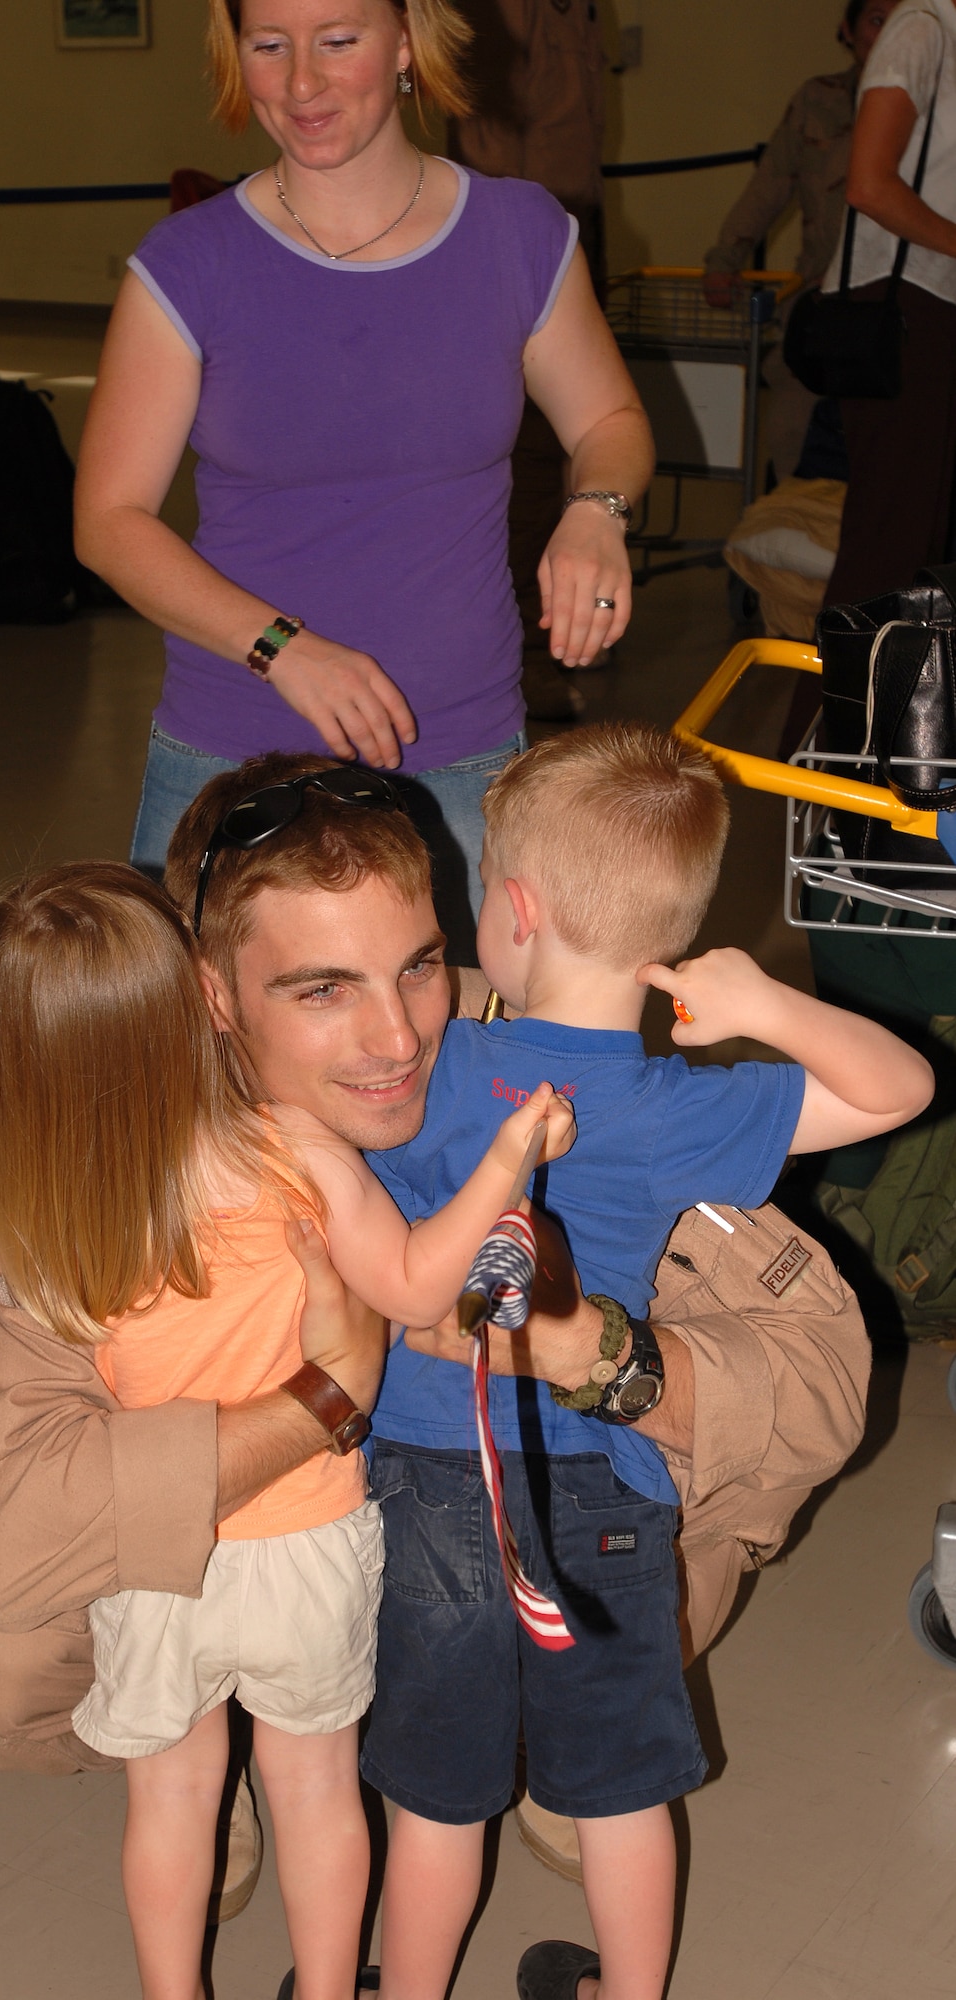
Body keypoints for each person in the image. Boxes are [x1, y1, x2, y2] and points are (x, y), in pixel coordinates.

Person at [0, 757, 871, 1968]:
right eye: (321, 989)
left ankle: (557, 1735)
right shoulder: (140, 1164)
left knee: (674, 1507)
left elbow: (819, 1387)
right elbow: (3, 1525)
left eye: (418, 963)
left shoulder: (529, 1064)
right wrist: (318, 1400)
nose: (396, 1035)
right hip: (271, 1557)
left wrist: (583, 1347)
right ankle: (242, 1748)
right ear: (211, 996)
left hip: (506, 1535)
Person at [353, 724, 930, 2000]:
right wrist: (763, 1005)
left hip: (430, 1482)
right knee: (620, 1792)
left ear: (511, 911)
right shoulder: (682, 1108)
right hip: (607, 1492)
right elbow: (896, 1087)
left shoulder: (429, 1066)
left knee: (436, 1809)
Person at [73, 0, 652, 958]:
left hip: (457, 750)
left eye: (337, 40)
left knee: (452, 1074)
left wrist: (597, 513)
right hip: (235, 752)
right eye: (269, 46)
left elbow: (609, 421)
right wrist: (282, 648)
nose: (301, 83)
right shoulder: (189, 264)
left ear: (408, 44)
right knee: (204, 1082)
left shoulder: (518, 234)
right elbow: (109, 519)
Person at [449, 0, 609, 720]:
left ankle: (546, 629)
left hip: (566, 228)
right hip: (501, 238)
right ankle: (514, 652)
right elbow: (478, 122)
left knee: (558, 449)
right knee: (508, 452)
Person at [702, 0, 900, 481]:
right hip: (822, 308)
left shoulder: (940, 104)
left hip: (905, 312)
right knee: (793, 438)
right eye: (877, 19)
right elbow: (769, 186)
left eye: (902, 19)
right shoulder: (819, 100)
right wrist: (725, 259)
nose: (890, 31)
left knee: (894, 457)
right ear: (847, 30)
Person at [822, 0, 956, 604]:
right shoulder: (923, 26)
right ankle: (834, 702)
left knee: (917, 546)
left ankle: (893, 698)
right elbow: (869, 184)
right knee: (890, 548)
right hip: (907, 308)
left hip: (935, 305)